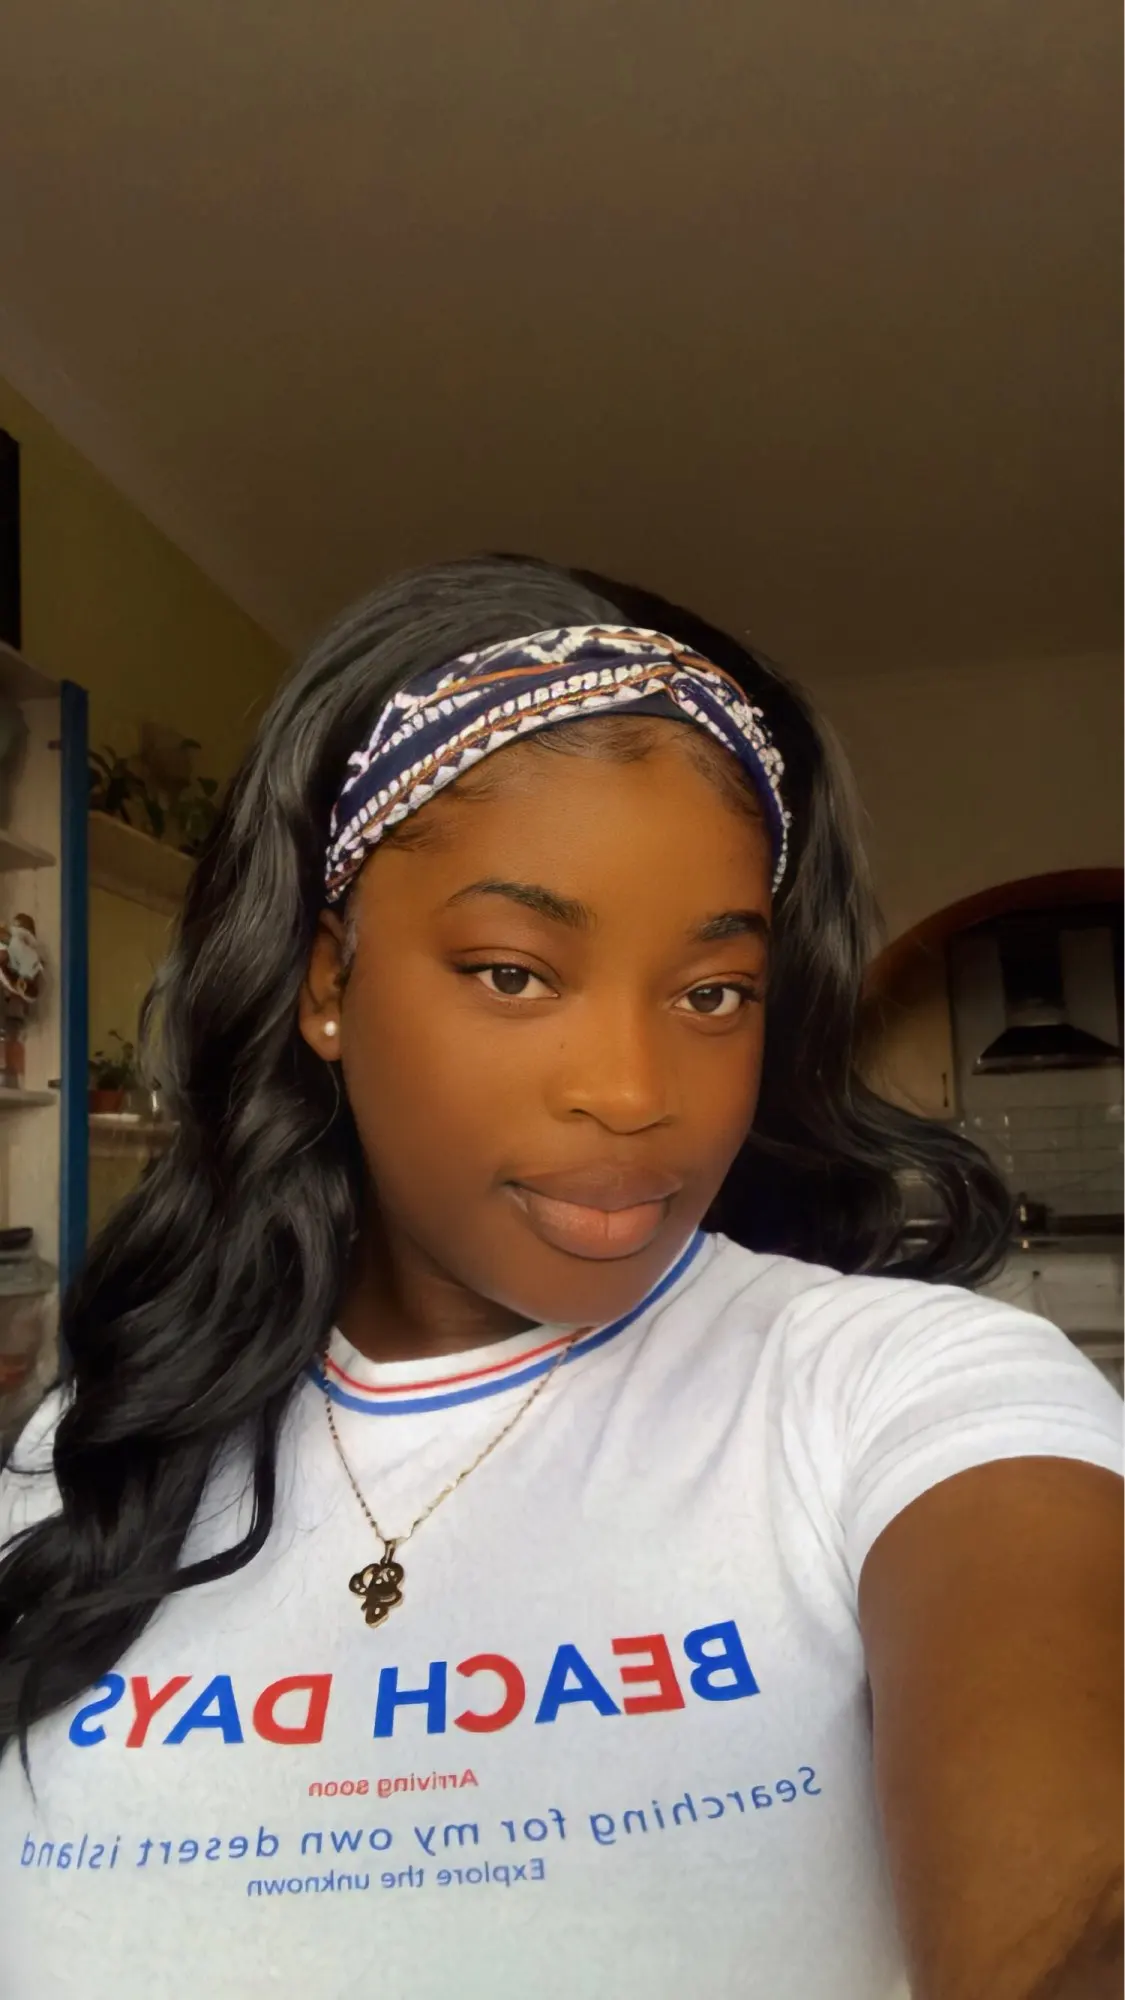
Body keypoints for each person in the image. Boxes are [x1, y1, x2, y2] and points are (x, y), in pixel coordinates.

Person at [0, 556, 1120, 2000]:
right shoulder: (106, 1437)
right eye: (516, 973)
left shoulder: (895, 1387)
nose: (636, 1093)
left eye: (713, 993)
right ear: (330, 983)